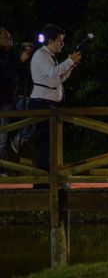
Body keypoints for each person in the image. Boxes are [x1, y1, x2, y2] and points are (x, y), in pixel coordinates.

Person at [29, 24, 81, 180]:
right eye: (60, 41)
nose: (62, 44)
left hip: (50, 103)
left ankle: (49, 179)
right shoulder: (41, 55)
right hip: (42, 103)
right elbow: (53, 74)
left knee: (52, 143)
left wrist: (71, 66)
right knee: (45, 143)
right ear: (50, 41)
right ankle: (42, 181)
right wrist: (69, 61)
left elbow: (58, 79)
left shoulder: (50, 56)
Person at [0, 26, 33, 171]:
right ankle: (2, 169)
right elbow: (5, 75)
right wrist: (20, 60)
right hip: (1, 100)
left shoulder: (12, 54)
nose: (10, 40)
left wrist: (27, 57)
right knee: (2, 136)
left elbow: (22, 73)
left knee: (33, 110)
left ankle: (18, 140)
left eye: (11, 37)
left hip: (13, 96)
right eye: (7, 37)